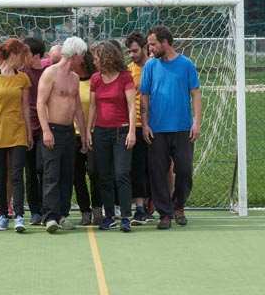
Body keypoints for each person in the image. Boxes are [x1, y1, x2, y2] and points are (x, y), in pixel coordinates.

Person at [140, 25, 202, 229]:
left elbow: (195, 94)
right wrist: (145, 124)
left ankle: (179, 206)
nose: (150, 49)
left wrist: (197, 122)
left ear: (165, 43)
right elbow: (144, 96)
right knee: (158, 173)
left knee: (184, 170)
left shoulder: (186, 64)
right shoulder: (150, 66)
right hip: (156, 130)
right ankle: (164, 213)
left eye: (153, 44)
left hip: (183, 128)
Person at [0, 38, 32, 232]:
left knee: (17, 175)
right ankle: (2, 214)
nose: (24, 59)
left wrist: (28, 132)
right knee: (0, 177)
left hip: (17, 132)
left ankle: (19, 216)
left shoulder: (23, 79)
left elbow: (25, 107)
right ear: (13, 55)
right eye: (22, 55)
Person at [37, 37, 87, 233]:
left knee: (68, 175)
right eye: (82, 56)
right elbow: (40, 103)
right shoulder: (50, 73)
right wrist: (46, 130)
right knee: (52, 175)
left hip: (68, 132)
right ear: (74, 56)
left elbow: (77, 110)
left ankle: (63, 214)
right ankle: (50, 216)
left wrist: (83, 135)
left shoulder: (75, 78)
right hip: (52, 129)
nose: (83, 60)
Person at [86, 41, 136, 232]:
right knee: (104, 176)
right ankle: (109, 216)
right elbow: (92, 107)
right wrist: (89, 132)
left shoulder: (125, 77)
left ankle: (126, 216)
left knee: (121, 173)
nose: (94, 62)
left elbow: (132, 106)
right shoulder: (95, 79)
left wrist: (132, 131)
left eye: (96, 58)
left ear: (106, 58)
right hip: (101, 133)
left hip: (121, 132)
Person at [72, 49, 103, 226]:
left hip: (93, 133)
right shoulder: (71, 79)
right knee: (77, 175)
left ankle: (97, 208)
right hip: (74, 134)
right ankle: (85, 210)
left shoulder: (96, 79)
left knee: (94, 171)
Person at [125, 31, 152, 225]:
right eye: (129, 52)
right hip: (136, 125)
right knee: (138, 167)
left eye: (135, 51)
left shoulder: (154, 67)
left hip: (157, 124)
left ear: (145, 48)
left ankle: (155, 205)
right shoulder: (128, 71)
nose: (132, 55)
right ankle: (140, 208)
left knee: (159, 169)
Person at [20, 37, 46, 225]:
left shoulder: (48, 73)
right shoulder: (21, 73)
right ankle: (34, 211)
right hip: (27, 129)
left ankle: (47, 209)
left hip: (46, 128)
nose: (23, 56)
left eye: (26, 52)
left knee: (44, 171)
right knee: (30, 173)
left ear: (36, 55)